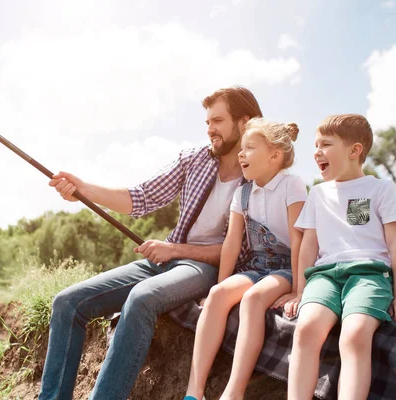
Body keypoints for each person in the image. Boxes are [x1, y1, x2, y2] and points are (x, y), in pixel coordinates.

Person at [39, 86, 263, 400]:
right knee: (67, 302)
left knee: (142, 297)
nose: (210, 129)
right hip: (166, 259)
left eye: (218, 120)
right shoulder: (195, 159)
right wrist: (83, 189)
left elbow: (238, 252)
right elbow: (141, 197)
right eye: (207, 122)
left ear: (246, 122)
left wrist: (176, 250)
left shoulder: (261, 176)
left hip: (209, 267)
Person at [286, 114, 396, 400]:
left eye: (326, 144)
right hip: (324, 277)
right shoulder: (318, 194)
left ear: (354, 151)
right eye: (316, 145)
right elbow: (308, 245)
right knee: (306, 329)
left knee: (355, 333)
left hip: (368, 275)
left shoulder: (380, 189)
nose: (316, 151)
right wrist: (299, 291)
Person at [184, 118, 307, 400]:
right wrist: (221, 285)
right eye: (241, 148)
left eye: (249, 148)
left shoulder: (293, 186)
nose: (241, 154)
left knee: (252, 300)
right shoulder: (243, 193)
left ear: (275, 155)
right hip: (257, 266)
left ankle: (234, 392)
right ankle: (194, 391)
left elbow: (299, 239)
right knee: (217, 295)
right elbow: (231, 243)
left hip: (287, 267)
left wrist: (298, 290)